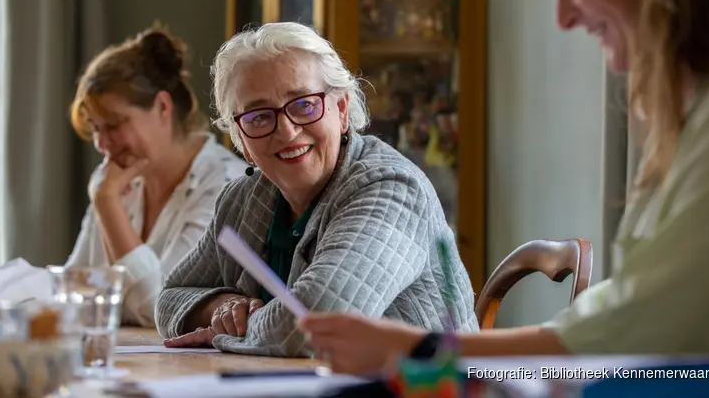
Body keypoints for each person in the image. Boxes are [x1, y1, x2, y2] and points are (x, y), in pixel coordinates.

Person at [299, 0, 709, 374]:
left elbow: (641, 327)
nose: (564, 17)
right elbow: (632, 305)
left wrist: (420, 351)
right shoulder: (699, 113)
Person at [155, 22, 479, 357]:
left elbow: (318, 321)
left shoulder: (392, 189)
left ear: (341, 111)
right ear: (241, 140)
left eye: (304, 104)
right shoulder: (242, 199)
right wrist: (221, 307)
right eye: (258, 116)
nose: (287, 131)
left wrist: (227, 333)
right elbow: (169, 298)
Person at [66, 24, 248, 327]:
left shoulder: (226, 185)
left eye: (113, 125)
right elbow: (73, 289)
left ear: (162, 106)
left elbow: (161, 306)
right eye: (96, 128)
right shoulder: (117, 178)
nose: (101, 143)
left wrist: (108, 205)